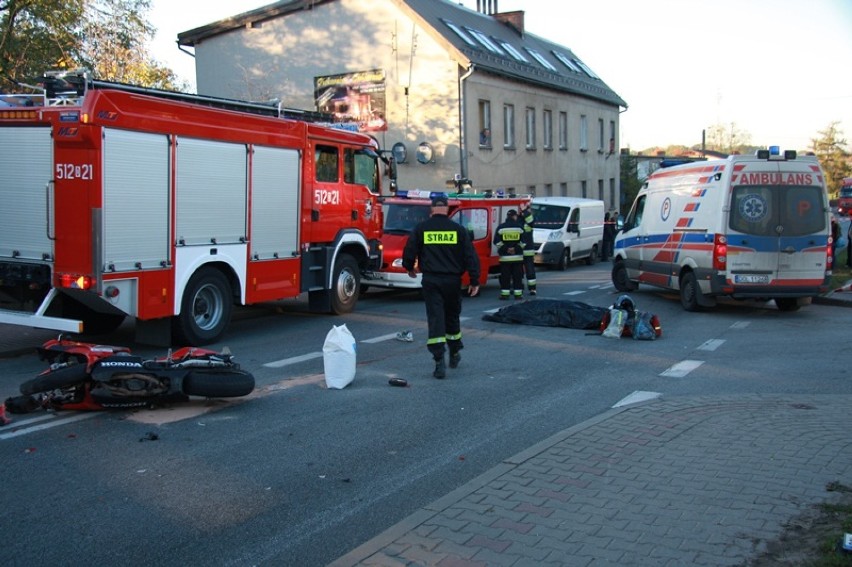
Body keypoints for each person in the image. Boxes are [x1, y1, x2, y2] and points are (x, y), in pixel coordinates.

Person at [402, 195, 481, 379]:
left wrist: (409, 267)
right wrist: (474, 280)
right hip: (453, 281)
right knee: (452, 316)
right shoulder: (458, 229)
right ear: (446, 208)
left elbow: (410, 250)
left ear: (431, 209)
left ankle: (439, 361)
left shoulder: (422, 228)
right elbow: (471, 256)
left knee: (436, 318)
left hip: (431, 280)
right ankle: (454, 352)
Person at [494, 209, 525, 300]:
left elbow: (496, 241)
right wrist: (515, 249)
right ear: (514, 216)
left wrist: (506, 249)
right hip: (517, 258)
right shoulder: (520, 228)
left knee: (505, 277)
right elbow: (524, 242)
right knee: (517, 277)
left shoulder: (501, 228)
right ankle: (518, 294)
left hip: (505, 258)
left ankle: (505, 294)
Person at [518, 201, 537, 295]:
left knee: (530, 271)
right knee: (519, 271)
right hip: (521, 251)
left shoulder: (529, 220)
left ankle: (532, 288)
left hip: (527, 251)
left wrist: (524, 210)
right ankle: (520, 288)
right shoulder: (518, 220)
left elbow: (531, 221)